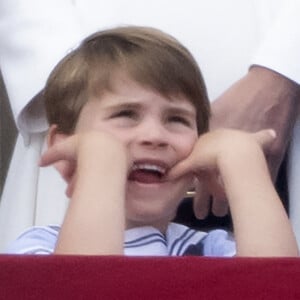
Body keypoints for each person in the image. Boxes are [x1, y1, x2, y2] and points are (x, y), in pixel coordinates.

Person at [0, 0, 300, 251]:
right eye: (126, 114)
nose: (155, 136)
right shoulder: (37, 248)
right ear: (65, 150)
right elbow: (83, 288)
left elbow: (276, 286)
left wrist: (243, 164)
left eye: (177, 120)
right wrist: (102, 165)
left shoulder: (207, 248)